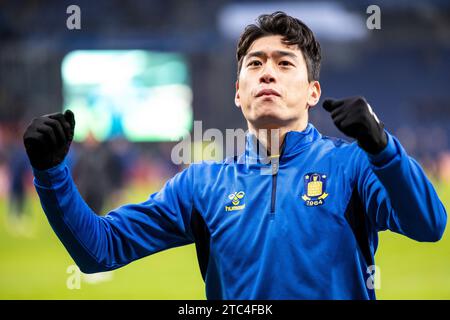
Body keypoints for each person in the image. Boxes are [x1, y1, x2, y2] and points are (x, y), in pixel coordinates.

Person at [22, 12, 446, 299]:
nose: (267, 71)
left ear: (312, 92)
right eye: (255, 63)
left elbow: (429, 225)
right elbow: (100, 249)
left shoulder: (353, 165)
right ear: (238, 92)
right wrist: (51, 172)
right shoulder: (200, 184)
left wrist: (382, 148)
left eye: (284, 63)